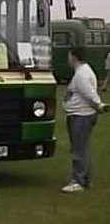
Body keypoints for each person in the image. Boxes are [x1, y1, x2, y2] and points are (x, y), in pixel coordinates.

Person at [62, 47, 108, 193]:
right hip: (81, 115)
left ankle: (78, 181)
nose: (67, 58)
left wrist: (99, 105)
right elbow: (72, 91)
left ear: (74, 57)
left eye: (69, 55)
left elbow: (90, 93)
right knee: (83, 148)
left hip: (81, 116)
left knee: (78, 150)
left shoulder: (81, 74)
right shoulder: (83, 72)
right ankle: (85, 179)